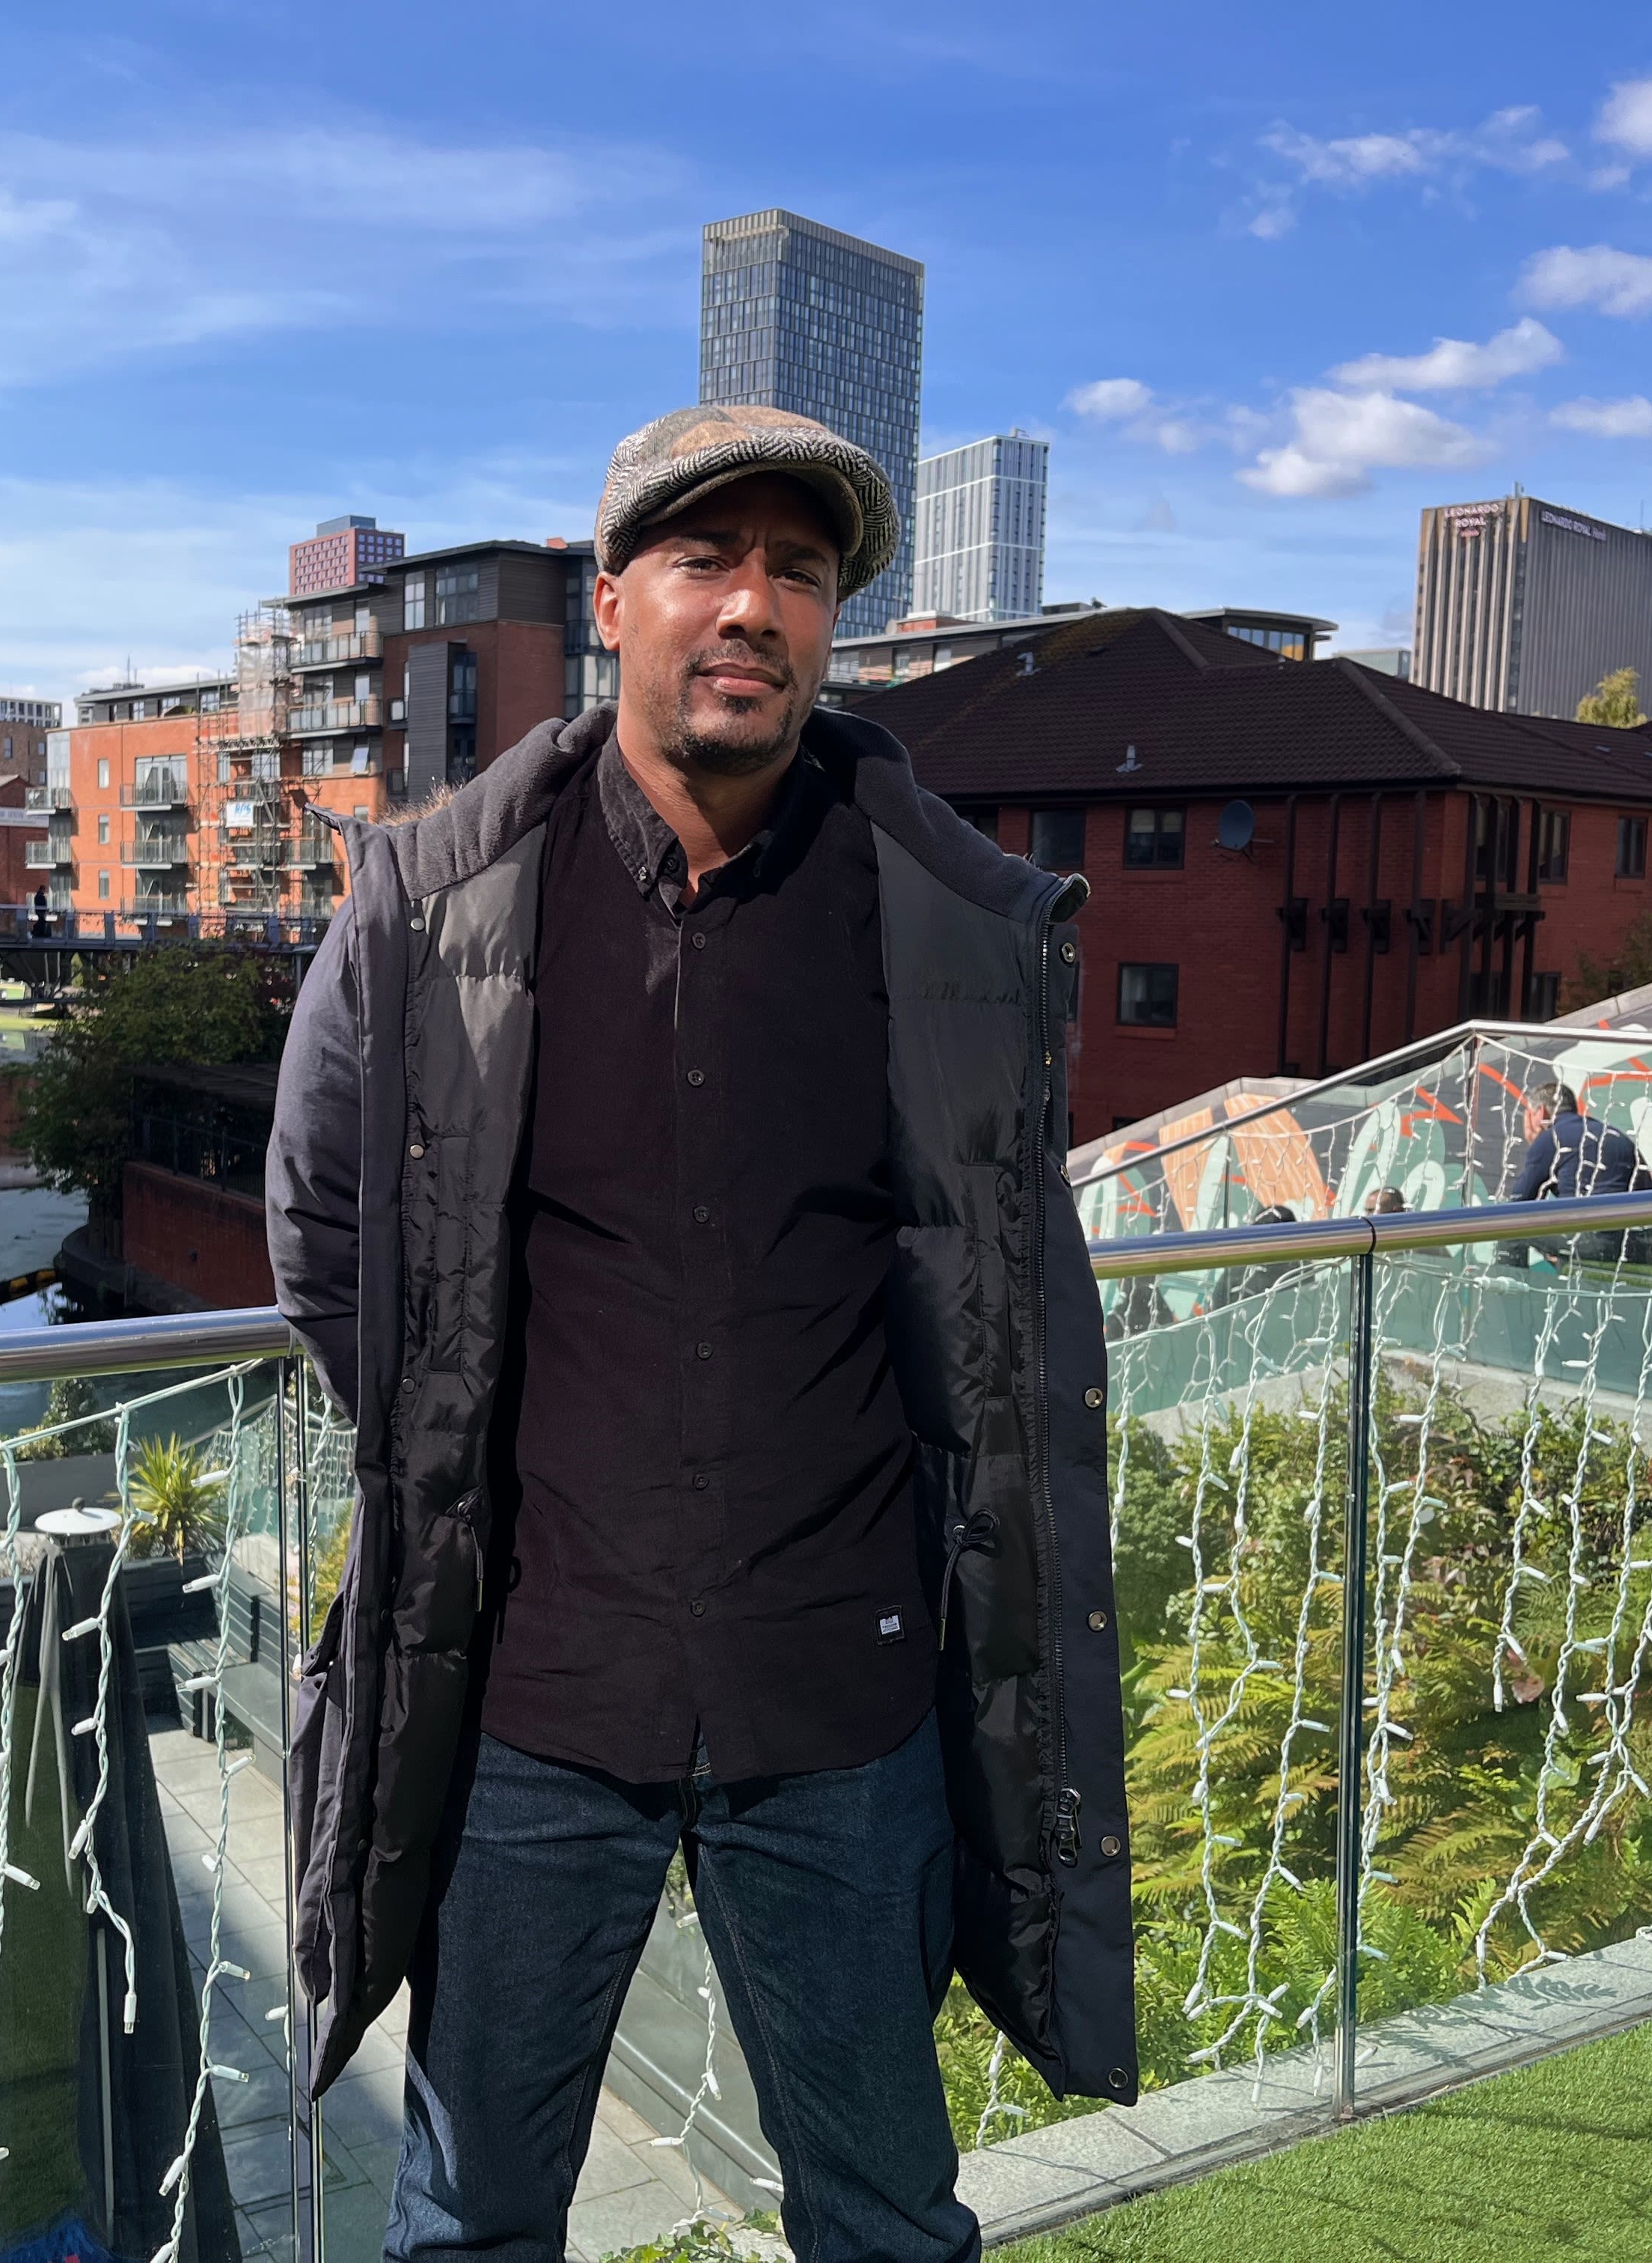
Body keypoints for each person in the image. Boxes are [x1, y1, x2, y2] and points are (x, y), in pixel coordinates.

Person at [267, 403, 1134, 2263]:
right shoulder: (435, 901)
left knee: (887, 2219)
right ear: (611, 601)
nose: (751, 606)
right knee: (472, 2223)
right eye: (704, 560)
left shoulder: (946, 921)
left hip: (842, 1694)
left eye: (797, 573)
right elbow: (327, 1228)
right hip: (526, 1694)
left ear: (831, 623)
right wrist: (452, 1455)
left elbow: (987, 1280)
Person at [1508, 1081, 1652, 1264]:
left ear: (1541, 1113)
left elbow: (1519, 1203)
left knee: (1508, 1226)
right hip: (1640, 1246)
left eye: (1529, 1114)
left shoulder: (1552, 1138)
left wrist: (1537, 1146)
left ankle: (1507, 1282)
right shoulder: (1613, 1134)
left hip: (1594, 1241)